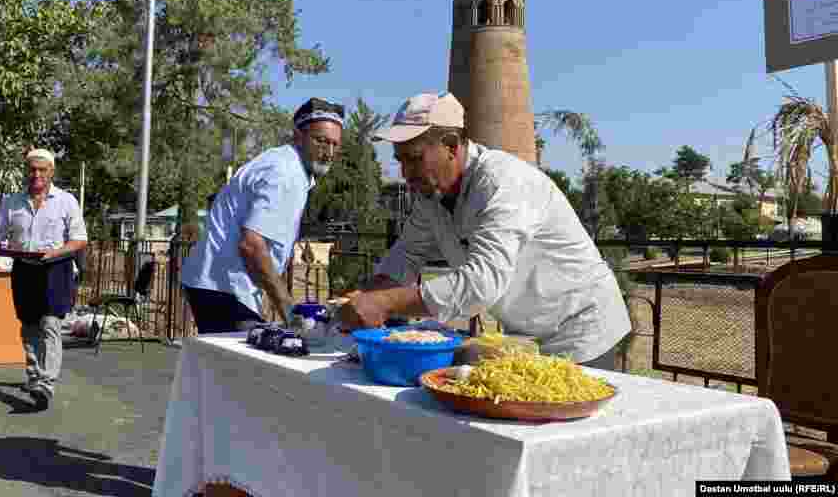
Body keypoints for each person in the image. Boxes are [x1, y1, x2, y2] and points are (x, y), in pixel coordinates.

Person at [337, 92, 632, 370]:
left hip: (583, 329)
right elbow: (406, 255)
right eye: (400, 160)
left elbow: (482, 282)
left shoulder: (503, 182)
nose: (405, 173)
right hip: (530, 332)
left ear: (452, 145)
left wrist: (385, 302)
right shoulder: (431, 196)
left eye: (414, 158)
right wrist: (365, 297)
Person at [181, 97, 344, 334]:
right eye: (321, 141)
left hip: (216, 283)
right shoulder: (286, 174)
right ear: (298, 136)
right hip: (224, 287)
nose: (328, 152)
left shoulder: (285, 164)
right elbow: (252, 245)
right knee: (249, 356)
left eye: (334, 144)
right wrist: (289, 311)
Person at [0, 149, 87, 410]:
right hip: (24, 269)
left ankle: (46, 383)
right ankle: (35, 377)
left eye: (42, 170)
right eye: (32, 169)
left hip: (55, 268)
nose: (36, 174)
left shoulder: (66, 201)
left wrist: (56, 252)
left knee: (50, 324)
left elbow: (80, 239)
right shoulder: (12, 202)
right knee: (29, 326)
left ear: (51, 172)